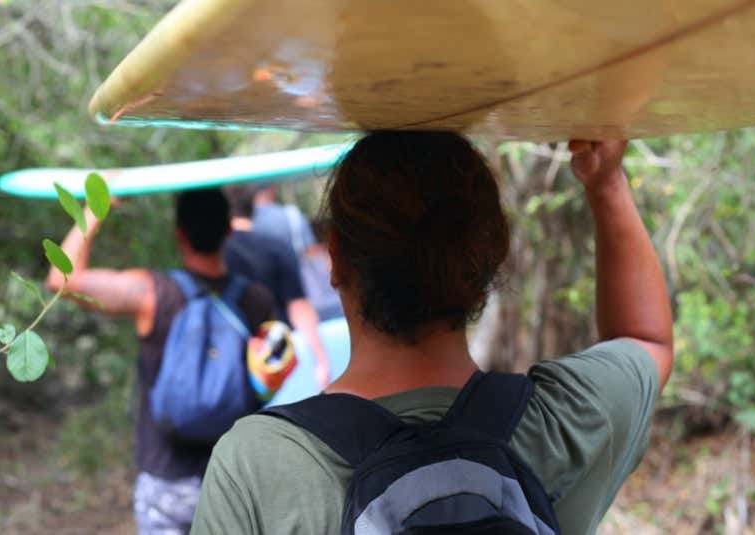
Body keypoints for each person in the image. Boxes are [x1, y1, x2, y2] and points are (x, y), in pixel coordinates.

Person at [190, 132, 673, 535]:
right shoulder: (563, 424)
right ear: (488, 262)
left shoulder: (256, 465)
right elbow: (645, 340)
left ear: (335, 256)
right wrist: (606, 181)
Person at [46, 188, 275, 535]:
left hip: (167, 479)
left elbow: (61, 280)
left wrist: (95, 209)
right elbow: (269, 378)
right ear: (228, 230)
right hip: (233, 479)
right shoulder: (257, 301)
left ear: (178, 232)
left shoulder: (152, 293)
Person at [224, 183, 330, 386]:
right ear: (254, 207)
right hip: (277, 356)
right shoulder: (277, 247)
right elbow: (299, 307)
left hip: (234, 364)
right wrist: (321, 361)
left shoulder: (217, 256)